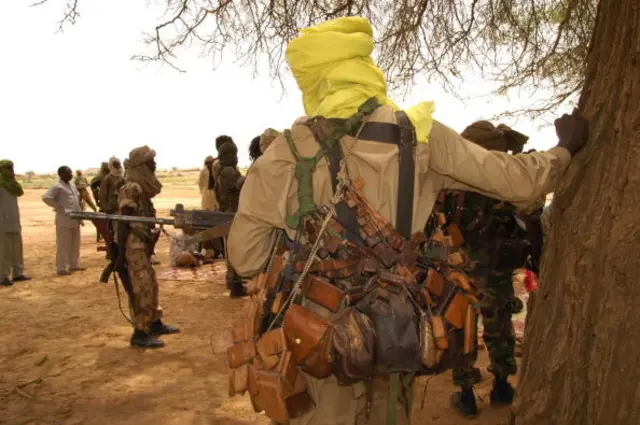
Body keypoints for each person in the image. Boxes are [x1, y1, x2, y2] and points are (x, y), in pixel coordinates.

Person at [226, 16, 588, 425]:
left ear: (312, 78)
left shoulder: (284, 154)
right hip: (399, 329)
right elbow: (521, 182)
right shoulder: (421, 135)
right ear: (363, 67)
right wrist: (564, 149)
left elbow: (246, 259)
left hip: (317, 339)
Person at [431, 120, 538, 417]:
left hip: (460, 269)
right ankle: (502, 385)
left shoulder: (455, 182)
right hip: (495, 268)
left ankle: (465, 393)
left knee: (462, 327)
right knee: (499, 325)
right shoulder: (500, 182)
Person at [115, 146, 179, 348]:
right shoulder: (131, 187)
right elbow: (124, 221)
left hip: (143, 243)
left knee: (150, 284)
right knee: (141, 287)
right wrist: (119, 251)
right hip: (134, 245)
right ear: (142, 164)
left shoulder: (141, 188)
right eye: (151, 160)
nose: (155, 164)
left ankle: (154, 322)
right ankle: (140, 332)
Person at [214, 142, 246, 297]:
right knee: (235, 249)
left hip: (231, 212)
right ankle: (236, 284)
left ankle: (235, 282)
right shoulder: (227, 171)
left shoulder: (224, 170)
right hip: (231, 212)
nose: (237, 157)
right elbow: (240, 185)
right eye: (234, 154)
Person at [42, 166, 85, 276]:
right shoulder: (57, 186)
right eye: (68, 173)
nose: (71, 174)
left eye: (71, 172)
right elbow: (46, 197)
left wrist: (80, 217)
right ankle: (61, 268)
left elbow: (76, 201)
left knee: (75, 244)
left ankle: (74, 265)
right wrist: (59, 208)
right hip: (64, 220)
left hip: (75, 219)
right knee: (63, 245)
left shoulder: (72, 186)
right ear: (61, 174)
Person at [0, 160, 31, 286]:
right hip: (2, 222)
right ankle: (3, 276)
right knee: (4, 251)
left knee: (17, 249)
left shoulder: (13, 184)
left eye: (11, 167)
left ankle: (18, 273)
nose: (11, 170)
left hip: (14, 220)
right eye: (8, 168)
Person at [90, 161, 110, 242]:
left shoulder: (103, 176)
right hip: (105, 201)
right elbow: (94, 190)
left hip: (106, 200)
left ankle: (101, 235)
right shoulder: (101, 176)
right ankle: (101, 235)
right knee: (103, 218)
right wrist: (97, 200)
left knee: (103, 218)